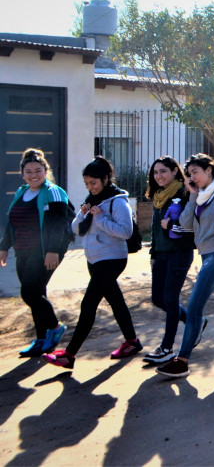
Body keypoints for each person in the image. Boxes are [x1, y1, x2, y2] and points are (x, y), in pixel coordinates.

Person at [43, 156, 141, 368]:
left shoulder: (118, 200)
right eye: (87, 184)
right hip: (94, 259)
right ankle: (132, 341)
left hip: (112, 258)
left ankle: (69, 354)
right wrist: (83, 215)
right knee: (116, 300)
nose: (90, 187)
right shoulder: (92, 200)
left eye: (93, 183)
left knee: (88, 305)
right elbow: (76, 229)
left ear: (105, 179)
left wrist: (101, 219)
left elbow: (126, 231)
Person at [155, 154, 214, 378]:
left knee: (193, 307)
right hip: (206, 254)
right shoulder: (201, 196)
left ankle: (181, 360)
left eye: (196, 172)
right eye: (190, 174)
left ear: (209, 171)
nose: (192, 177)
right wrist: (192, 196)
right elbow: (185, 224)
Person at [0, 149, 71, 357]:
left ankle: (55, 328)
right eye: (28, 171)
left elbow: (59, 224)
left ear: (45, 171)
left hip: (43, 252)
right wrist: (4, 247)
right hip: (23, 251)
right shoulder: (22, 192)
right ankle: (42, 339)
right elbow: (11, 222)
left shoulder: (53, 191)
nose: (33, 175)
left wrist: (52, 251)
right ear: (22, 173)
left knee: (29, 292)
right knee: (36, 294)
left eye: (38, 170)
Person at [142, 156, 197, 364]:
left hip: (179, 252)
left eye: (163, 171)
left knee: (170, 299)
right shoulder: (157, 196)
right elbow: (156, 230)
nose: (159, 176)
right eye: (156, 172)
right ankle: (193, 323)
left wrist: (172, 225)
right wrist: (154, 254)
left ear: (175, 171)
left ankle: (166, 348)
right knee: (158, 299)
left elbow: (189, 223)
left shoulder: (184, 193)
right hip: (161, 253)